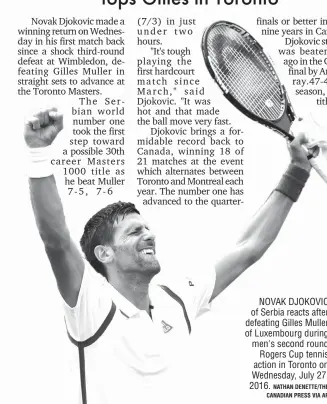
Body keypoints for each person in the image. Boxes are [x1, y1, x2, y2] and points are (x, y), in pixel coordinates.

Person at [25, 108, 311, 404]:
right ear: (104, 253)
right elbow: (56, 240)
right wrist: (38, 155)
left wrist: (298, 170)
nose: (149, 235)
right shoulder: (91, 306)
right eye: (134, 232)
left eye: (147, 228)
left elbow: (247, 248)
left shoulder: (175, 300)